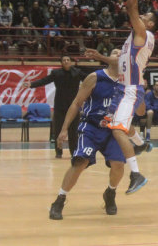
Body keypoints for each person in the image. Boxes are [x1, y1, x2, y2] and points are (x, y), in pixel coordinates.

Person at [87, 0, 158, 194]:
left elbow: (131, 6)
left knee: (117, 129)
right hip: (123, 88)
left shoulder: (143, 34)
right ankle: (141, 144)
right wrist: (101, 56)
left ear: (149, 24)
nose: (141, 18)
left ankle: (137, 174)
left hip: (130, 90)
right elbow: (120, 63)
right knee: (115, 124)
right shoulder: (134, 40)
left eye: (145, 17)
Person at [49, 49, 126, 220]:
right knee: (80, 162)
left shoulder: (127, 82)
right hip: (91, 127)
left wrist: (140, 93)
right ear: (108, 59)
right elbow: (77, 103)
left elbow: (141, 110)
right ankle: (60, 199)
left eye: (122, 53)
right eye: (115, 52)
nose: (119, 55)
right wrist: (63, 129)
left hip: (113, 130)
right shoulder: (95, 77)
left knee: (119, 164)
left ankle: (110, 193)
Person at [23, 55, 85, 158]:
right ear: (61, 63)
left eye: (68, 60)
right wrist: (31, 84)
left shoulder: (77, 73)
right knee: (58, 130)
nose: (66, 61)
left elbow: (90, 78)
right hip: (60, 105)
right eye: (64, 60)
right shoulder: (56, 73)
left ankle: (74, 153)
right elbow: (44, 80)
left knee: (73, 131)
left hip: (73, 106)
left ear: (71, 62)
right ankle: (58, 152)